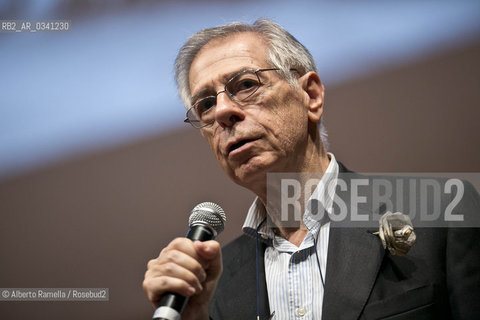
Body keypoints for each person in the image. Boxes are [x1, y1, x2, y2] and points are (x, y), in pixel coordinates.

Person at [143, 19, 480, 319]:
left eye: (246, 85)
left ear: (311, 95)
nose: (222, 112)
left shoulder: (441, 215)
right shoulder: (213, 284)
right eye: (206, 104)